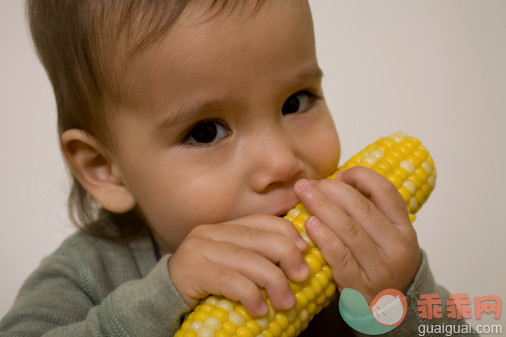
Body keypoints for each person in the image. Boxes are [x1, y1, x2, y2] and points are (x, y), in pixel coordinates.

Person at [0, 1, 476, 336]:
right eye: (206, 131)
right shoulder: (87, 274)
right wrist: (163, 300)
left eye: (296, 101)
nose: (282, 162)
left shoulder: (358, 264)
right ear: (107, 168)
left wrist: (404, 300)